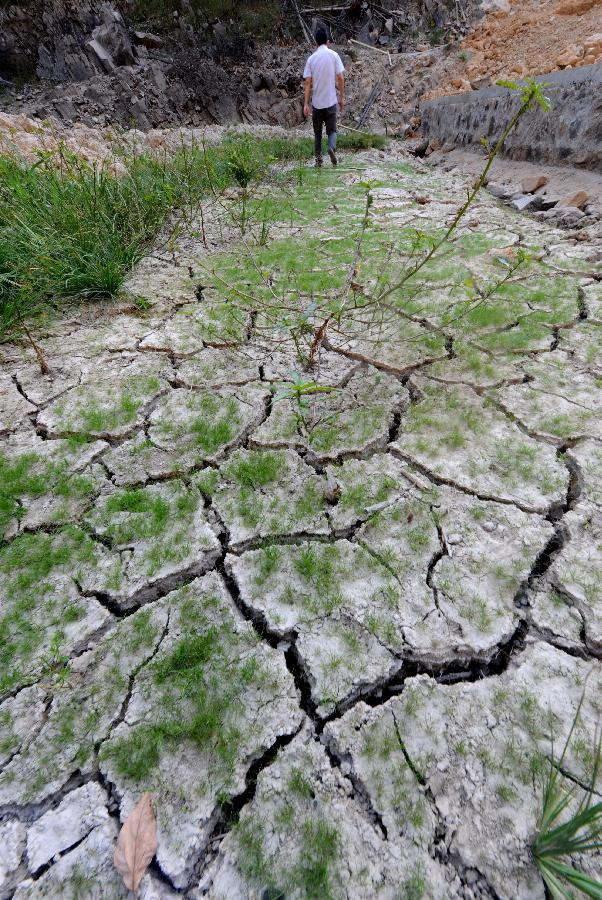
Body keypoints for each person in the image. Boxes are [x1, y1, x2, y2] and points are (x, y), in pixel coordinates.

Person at [303, 26, 345, 168]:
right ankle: (331, 148)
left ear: (316, 42)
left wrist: (306, 104)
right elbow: (340, 77)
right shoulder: (334, 55)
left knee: (317, 134)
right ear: (328, 41)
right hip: (331, 101)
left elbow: (308, 83)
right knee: (332, 130)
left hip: (317, 103)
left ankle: (318, 160)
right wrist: (342, 97)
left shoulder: (311, 59)